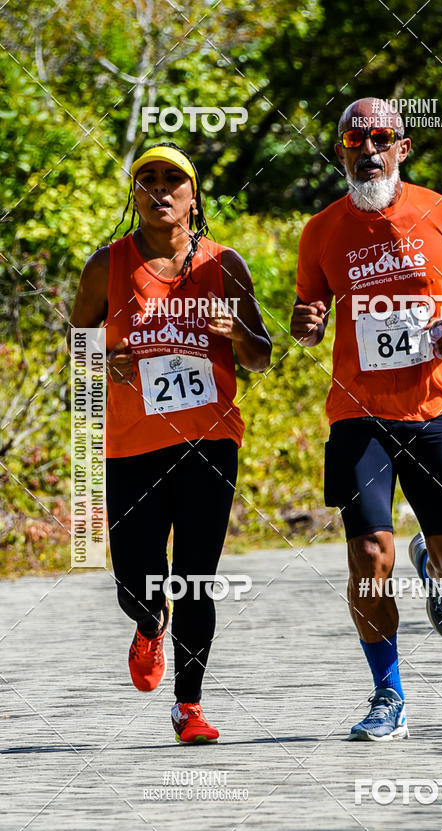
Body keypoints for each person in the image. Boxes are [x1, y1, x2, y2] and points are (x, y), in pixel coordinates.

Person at [290, 98, 442, 741]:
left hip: (434, 405)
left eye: (382, 137)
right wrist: (306, 322)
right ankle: (389, 695)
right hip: (358, 415)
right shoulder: (320, 230)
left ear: (402, 147)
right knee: (366, 555)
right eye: (357, 139)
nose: (369, 149)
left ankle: (435, 565)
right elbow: (308, 311)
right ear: (341, 152)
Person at [68, 142, 271, 743]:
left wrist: (237, 333)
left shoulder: (224, 264)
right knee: (136, 579)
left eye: (172, 180)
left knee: (196, 577)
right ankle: (148, 623)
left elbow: (261, 358)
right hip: (131, 444)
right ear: (135, 196)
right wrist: (105, 357)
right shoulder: (105, 266)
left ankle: (189, 706)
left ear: (193, 194)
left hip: (210, 442)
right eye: (147, 180)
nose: (160, 190)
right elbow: (77, 348)